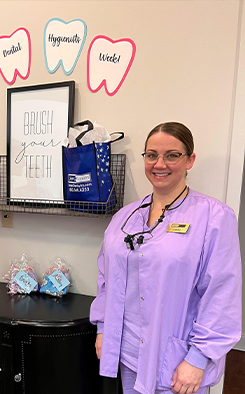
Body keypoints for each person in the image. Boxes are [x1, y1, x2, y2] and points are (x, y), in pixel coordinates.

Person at [90, 122, 242, 394]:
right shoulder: (124, 217)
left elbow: (222, 295)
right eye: (151, 155)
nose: (160, 164)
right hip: (127, 353)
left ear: (190, 160)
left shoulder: (214, 217)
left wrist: (198, 359)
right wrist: (103, 328)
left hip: (176, 362)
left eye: (172, 155)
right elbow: (106, 277)